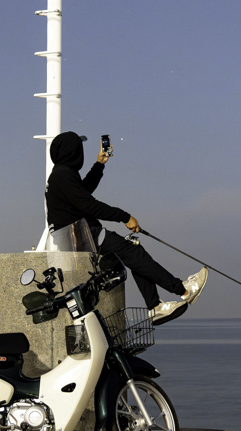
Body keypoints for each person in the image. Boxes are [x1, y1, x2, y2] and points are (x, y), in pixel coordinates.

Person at [45, 131, 207, 325]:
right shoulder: (63, 175)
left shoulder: (61, 175)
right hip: (83, 236)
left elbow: (82, 193)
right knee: (134, 254)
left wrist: (99, 164)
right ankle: (184, 290)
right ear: (73, 151)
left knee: (134, 253)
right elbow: (89, 205)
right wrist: (125, 217)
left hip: (78, 237)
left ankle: (156, 307)